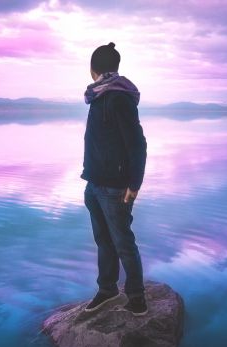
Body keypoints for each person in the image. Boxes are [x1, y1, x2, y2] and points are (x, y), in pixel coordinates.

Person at [81, 42, 148, 316]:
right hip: (95, 182)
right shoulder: (99, 95)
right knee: (104, 241)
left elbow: (137, 144)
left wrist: (134, 185)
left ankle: (137, 299)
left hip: (114, 187)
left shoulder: (118, 97)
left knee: (123, 242)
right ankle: (107, 289)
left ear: (93, 68)